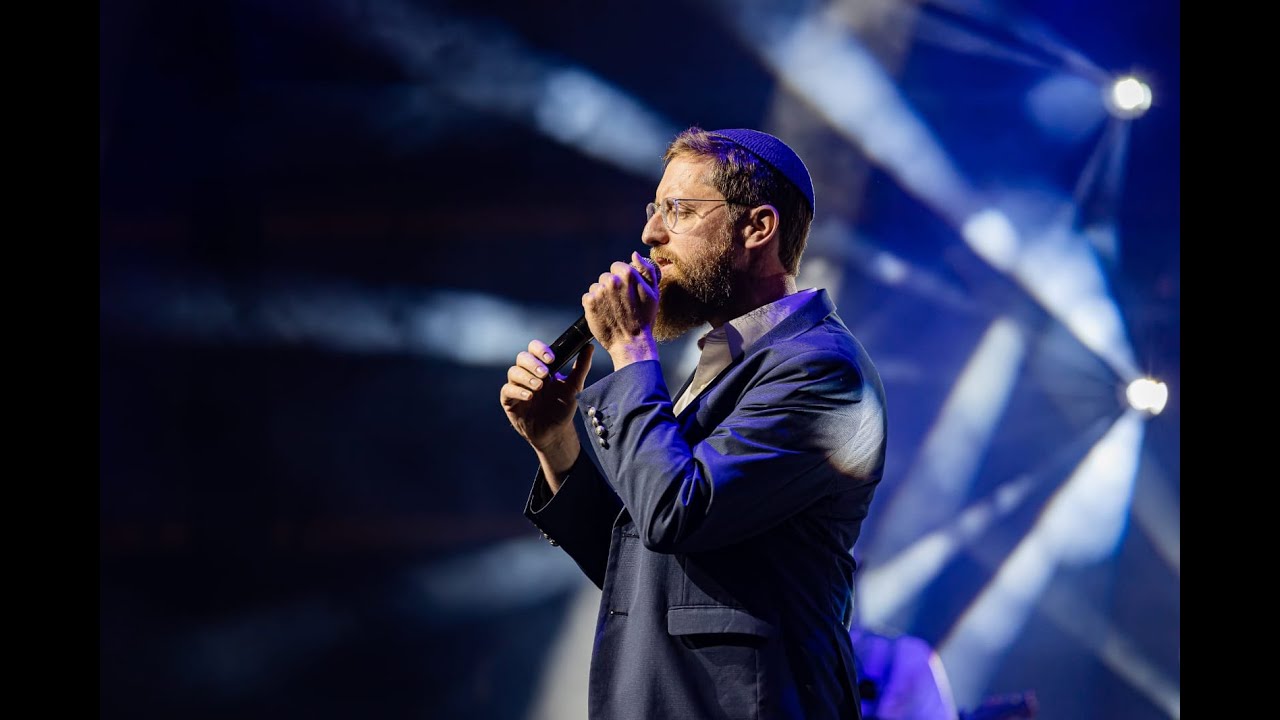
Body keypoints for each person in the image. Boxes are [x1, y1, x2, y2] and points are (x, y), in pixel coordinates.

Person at [500, 126, 888, 719]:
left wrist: (631, 348)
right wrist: (556, 443)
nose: (651, 234)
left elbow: (674, 514)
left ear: (757, 227)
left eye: (678, 210)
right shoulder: (728, 360)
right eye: (653, 211)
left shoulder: (820, 369)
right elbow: (640, 566)